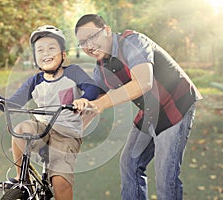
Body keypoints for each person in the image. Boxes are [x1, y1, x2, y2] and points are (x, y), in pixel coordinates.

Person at [75, 14, 202, 200]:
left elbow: (143, 83)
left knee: (166, 178)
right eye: (83, 42)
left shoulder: (133, 42)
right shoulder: (100, 70)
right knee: (130, 164)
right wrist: (71, 135)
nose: (89, 45)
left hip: (176, 104)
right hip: (150, 111)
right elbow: (90, 106)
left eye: (92, 36)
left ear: (107, 30)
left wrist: (101, 103)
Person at [0, 25, 99, 200]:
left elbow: (92, 88)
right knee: (20, 129)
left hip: (66, 133)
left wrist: (84, 99)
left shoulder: (74, 72)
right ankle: (22, 179)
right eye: (40, 50)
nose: (45, 53)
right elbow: (13, 105)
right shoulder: (35, 80)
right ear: (35, 58)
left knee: (60, 182)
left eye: (51, 48)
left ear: (63, 55)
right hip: (41, 127)